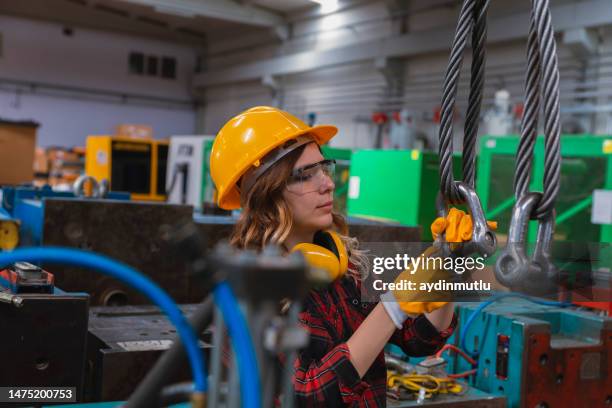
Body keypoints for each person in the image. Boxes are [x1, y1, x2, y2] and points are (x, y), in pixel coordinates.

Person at [210, 106, 456, 407]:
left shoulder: (345, 262)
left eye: (324, 168)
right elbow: (307, 395)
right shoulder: (247, 294)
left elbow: (418, 340)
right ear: (267, 194)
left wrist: (449, 267)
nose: (327, 183)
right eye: (305, 176)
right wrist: (393, 305)